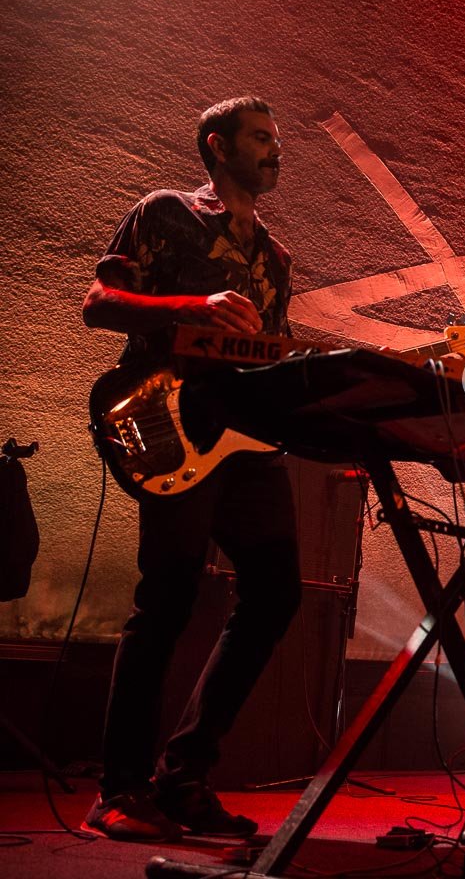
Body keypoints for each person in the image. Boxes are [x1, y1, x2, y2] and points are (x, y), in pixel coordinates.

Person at [80, 96, 298, 841]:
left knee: (276, 593)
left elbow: (268, 355)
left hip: (245, 440)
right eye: (261, 138)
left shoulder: (277, 259)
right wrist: (191, 306)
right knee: (168, 598)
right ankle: (119, 790)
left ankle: (185, 778)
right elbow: (98, 302)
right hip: (170, 424)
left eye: (276, 140)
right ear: (218, 145)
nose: (275, 151)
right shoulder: (165, 212)